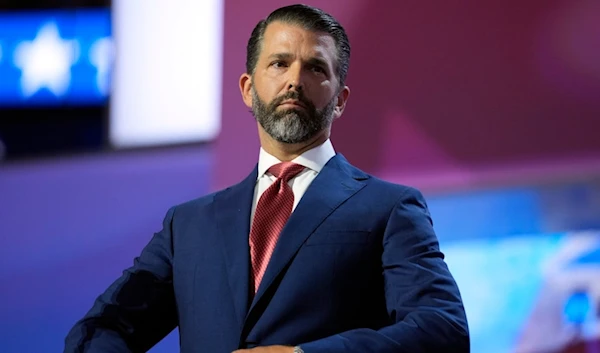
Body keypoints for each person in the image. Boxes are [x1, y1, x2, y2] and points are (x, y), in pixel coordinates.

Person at [64, 4, 469, 353]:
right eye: (279, 63)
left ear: (340, 99)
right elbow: (101, 330)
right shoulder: (187, 225)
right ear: (247, 88)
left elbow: (442, 329)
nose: (295, 80)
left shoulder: (389, 208)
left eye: (314, 68)